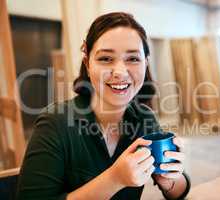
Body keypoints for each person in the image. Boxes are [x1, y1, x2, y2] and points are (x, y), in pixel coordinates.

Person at [17, 12, 190, 200]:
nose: (120, 72)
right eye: (106, 59)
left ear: (145, 64)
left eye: (132, 59)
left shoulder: (144, 119)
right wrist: (115, 179)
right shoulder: (54, 122)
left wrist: (170, 180)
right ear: (88, 64)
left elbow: (179, 192)